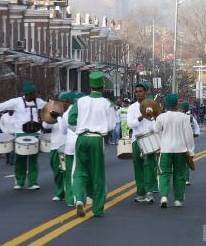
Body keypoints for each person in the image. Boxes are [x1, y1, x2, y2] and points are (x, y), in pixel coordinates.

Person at [68, 72, 116, 217]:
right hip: (97, 139)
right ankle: (97, 209)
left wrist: (83, 124)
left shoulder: (80, 101)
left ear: (90, 86)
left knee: (79, 172)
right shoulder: (108, 104)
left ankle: (79, 200)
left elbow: (71, 119)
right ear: (102, 87)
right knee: (98, 174)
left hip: (82, 137)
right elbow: (111, 126)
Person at [0, 81, 46, 190]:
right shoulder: (17, 102)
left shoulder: (39, 102)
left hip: (35, 133)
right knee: (20, 158)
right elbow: (1, 106)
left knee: (33, 159)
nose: (36, 94)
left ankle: (33, 182)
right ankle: (19, 181)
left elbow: (50, 107)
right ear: (28, 93)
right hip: (20, 133)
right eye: (34, 93)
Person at [155, 94, 195, 208]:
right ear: (177, 104)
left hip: (166, 149)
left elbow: (156, 131)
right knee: (179, 174)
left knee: (164, 173)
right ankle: (178, 200)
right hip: (181, 149)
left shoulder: (161, 117)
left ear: (166, 105)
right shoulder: (184, 117)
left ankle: (163, 196)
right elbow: (188, 135)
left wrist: (160, 143)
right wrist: (190, 150)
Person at [127, 82, 158, 204]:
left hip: (149, 138)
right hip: (136, 139)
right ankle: (140, 193)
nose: (138, 93)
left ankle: (149, 193)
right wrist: (142, 116)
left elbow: (156, 121)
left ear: (145, 92)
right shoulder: (132, 107)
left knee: (149, 165)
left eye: (140, 91)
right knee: (138, 166)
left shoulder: (152, 105)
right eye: (137, 91)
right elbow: (130, 124)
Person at [42, 92, 73, 201]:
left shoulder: (70, 113)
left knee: (67, 171)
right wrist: (50, 115)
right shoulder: (55, 113)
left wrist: (60, 118)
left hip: (67, 146)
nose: (63, 104)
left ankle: (68, 192)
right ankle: (60, 192)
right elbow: (45, 125)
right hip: (55, 146)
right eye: (62, 102)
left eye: (66, 102)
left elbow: (64, 130)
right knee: (57, 171)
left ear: (70, 103)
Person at [179, 101, 200, 186]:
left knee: (181, 160)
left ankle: (183, 178)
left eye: (181, 107)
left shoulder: (180, 117)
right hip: (189, 141)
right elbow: (197, 127)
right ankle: (186, 179)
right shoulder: (191, 117)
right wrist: (196, 134)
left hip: (181, 141)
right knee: (187, 160)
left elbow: (196, 127)